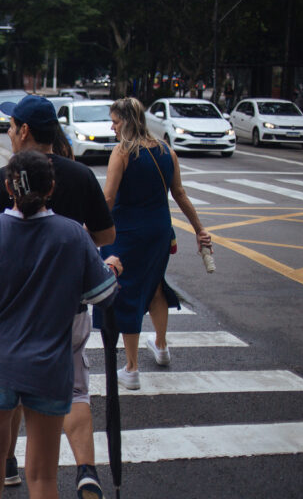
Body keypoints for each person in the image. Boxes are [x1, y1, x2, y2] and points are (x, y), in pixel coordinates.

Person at [0, 150, 122, 499]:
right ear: (51, 188)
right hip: (49, 367)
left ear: (9, 186)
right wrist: (113, 270)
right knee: (42, 474)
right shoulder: (72, 234)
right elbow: (103, 295)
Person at [0, 94, 115, 497]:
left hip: (6, 313)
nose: (8, 131)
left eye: (10, 125)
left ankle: (6, 461)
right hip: (66, 310)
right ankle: (85, 467)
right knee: (71, 391)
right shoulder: (80, 176)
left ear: (23, 130)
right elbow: (107, 236)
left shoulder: (2, 180)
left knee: (8, 394)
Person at [99, 97, 211, 390]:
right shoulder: (166, 151)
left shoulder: (122, 152)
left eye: (115, 121)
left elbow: (108, 199)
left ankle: (132, 368)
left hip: (126, 234)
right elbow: (180, 194)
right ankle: (161, 347)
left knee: (127, 294)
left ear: (127, 121)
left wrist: (88, 228)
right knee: (156, 286)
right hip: (160, 232)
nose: (112, 127)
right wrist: (200, 230)